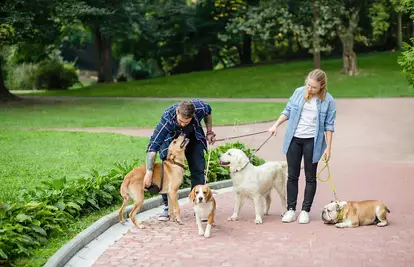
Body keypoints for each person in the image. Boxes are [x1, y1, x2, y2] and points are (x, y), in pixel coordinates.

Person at [268, 69, 336, 224]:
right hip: (294, 139)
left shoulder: (328, 101)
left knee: (310, 177)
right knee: (292, 175)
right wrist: (275, 125)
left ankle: (305, 210)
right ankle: (291, 210)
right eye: (308, 85)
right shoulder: (299, 92)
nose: (309, 89)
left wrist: (328, 148)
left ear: (322, 86)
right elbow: (288, 111)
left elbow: (329, 126)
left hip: (313, 141)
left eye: (313, 87)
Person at [144, 99, 216, 221]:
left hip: (192, 138)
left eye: (186, 122)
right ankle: (168, 207)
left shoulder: (199, 108)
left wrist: (209, 131)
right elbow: (153, 146)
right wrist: (149, 171)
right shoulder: (167, 118)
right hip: (172, 141)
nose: (183, 124)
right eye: (181, 121)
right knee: (165, 173)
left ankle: (198, 205)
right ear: (177, 112)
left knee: (198, 169)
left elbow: (208, 111)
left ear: (192, 116)